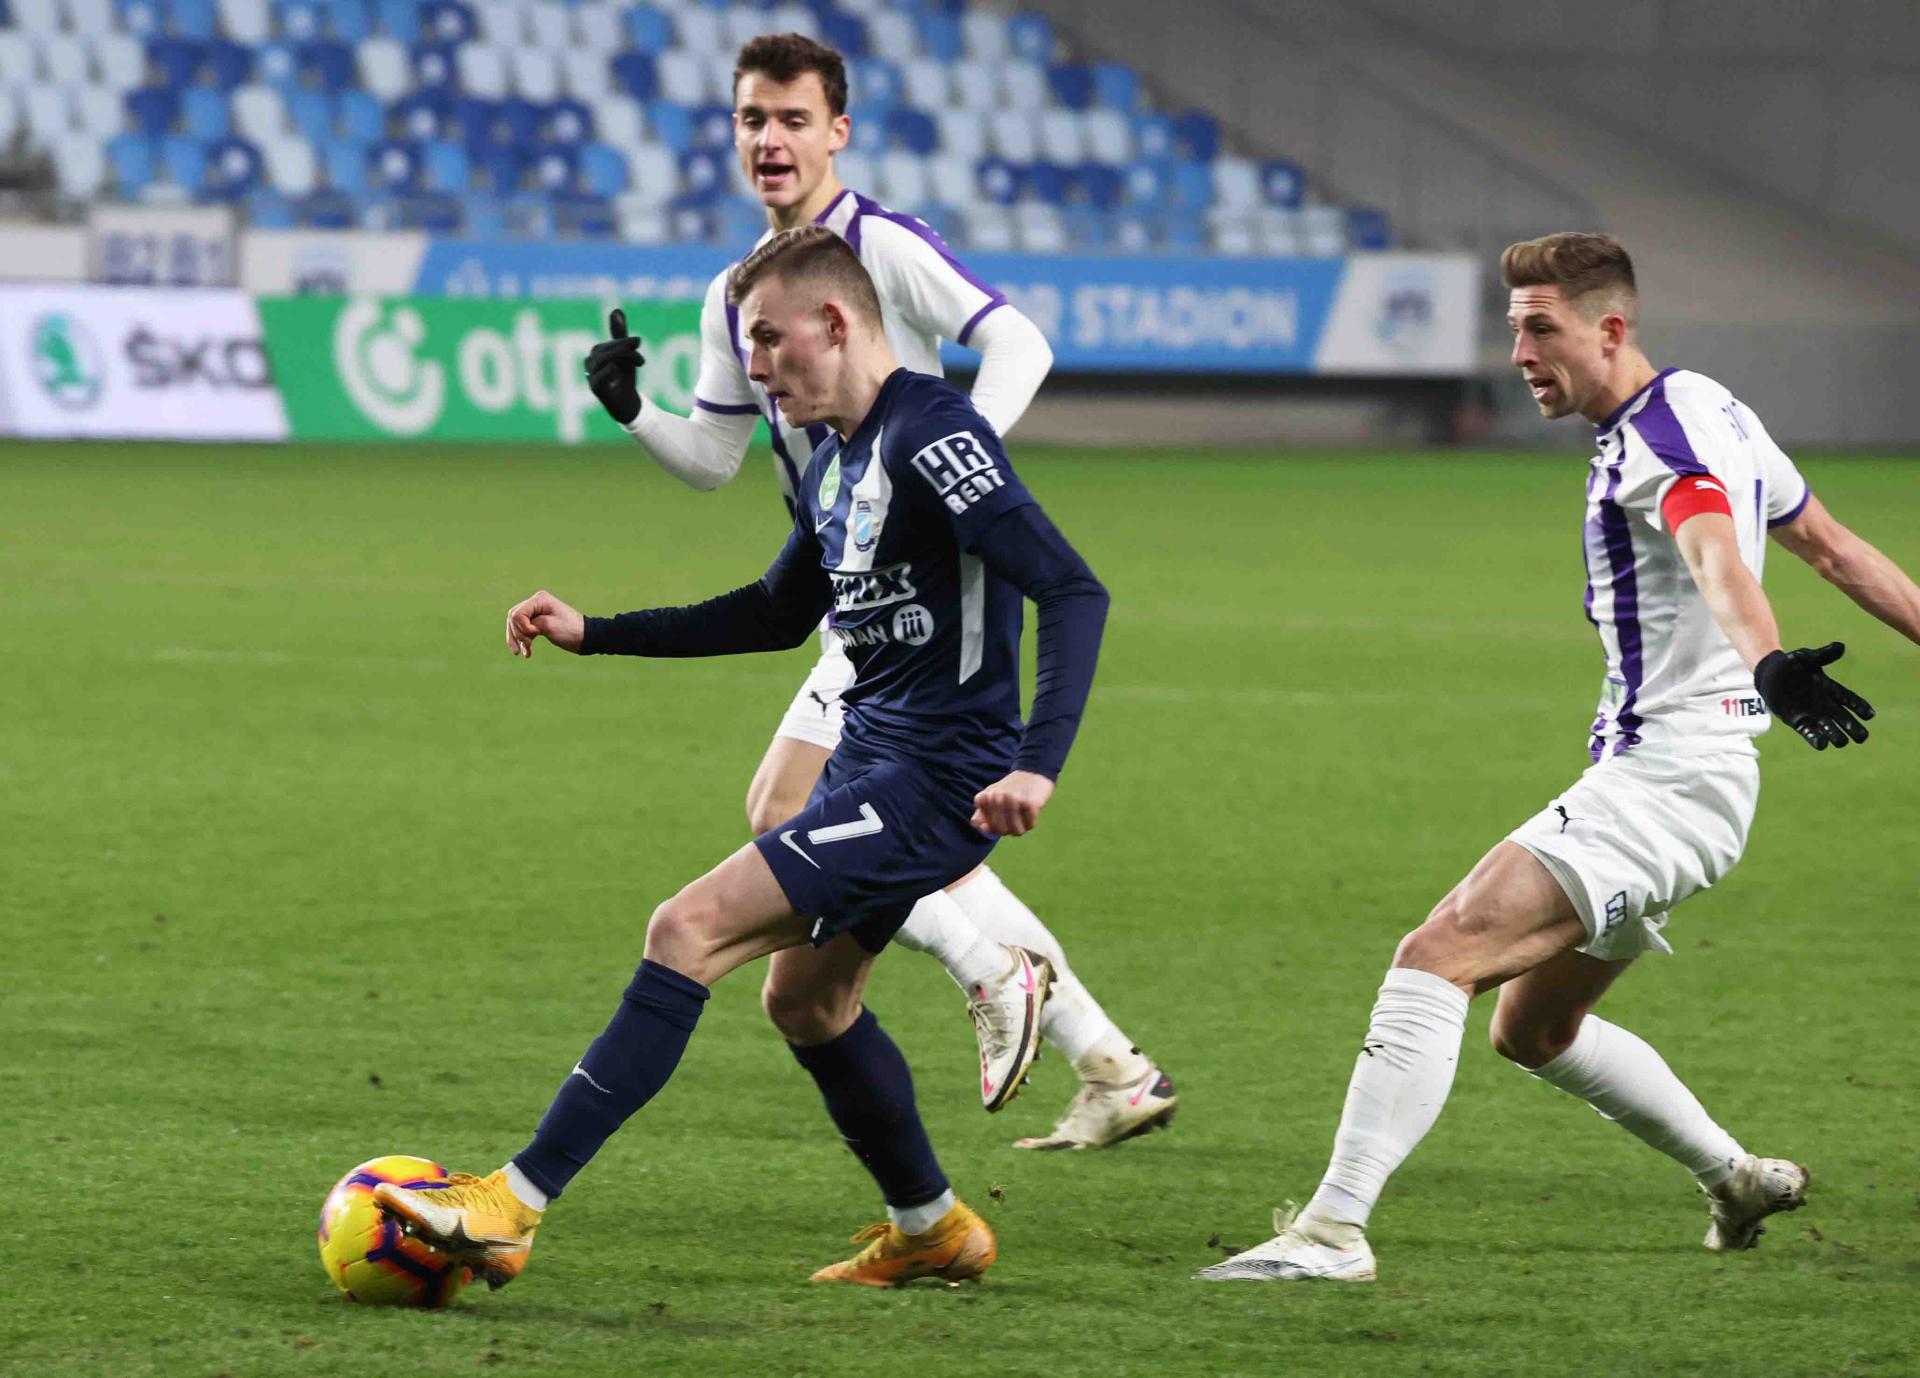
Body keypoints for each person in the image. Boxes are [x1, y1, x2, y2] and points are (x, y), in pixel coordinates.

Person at [377, 225, 1111, 1290]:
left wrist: (1037, 763)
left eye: (768, 339)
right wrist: (596, 630)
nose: (755, 366)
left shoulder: (935, 433)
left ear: (836, 322)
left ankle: (513, 1203)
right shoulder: (837, 462)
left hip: (939, 776)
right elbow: (773, 613)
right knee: (806, 1004)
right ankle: (932, 1227)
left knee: (685, 929)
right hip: (872, 757)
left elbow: (1072, 587)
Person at [1198, 232, 1919, 1282]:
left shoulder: (1659, 446)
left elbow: (1713, 550)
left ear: (1609, 328)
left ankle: (1330, 1233)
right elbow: (1837, 550)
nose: (1521, 354)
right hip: (1697, 783)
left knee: (1435, 954)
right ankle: (1734, 1175)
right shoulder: (1714, 405)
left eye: (1541, 329)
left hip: (1666, 780)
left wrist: (1768, 660)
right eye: (1513, 330)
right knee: (1533, 1030)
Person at [583, 32, 1174, 1148]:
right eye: (753, 118)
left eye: (794, 119)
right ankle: (1105, 1060)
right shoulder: (739, 295)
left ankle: (1004, 979)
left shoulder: (880, 246)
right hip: (842, 585)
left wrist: (942, 477)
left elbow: (1022, 344)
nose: (771, 139)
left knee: (787, 812)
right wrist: (635, 413)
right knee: (813, 827)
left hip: (910, 592)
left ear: (837, 133)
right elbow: (712, 462)